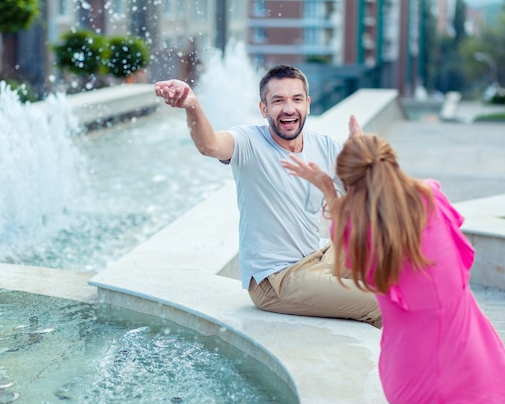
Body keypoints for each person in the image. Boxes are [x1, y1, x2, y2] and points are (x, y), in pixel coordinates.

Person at [281, 129, 505, 404]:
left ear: (351, 188)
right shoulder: (432, 198)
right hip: (464, 349)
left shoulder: (363, 238)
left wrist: (329, 190)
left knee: (502, 375)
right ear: (390, 165)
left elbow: (348, 233)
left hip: (409, 380)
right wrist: (367, 151)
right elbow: (395, 189)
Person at [155, 64, 381, 328]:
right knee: (380, 303)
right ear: (264, 109)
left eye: (296, 99)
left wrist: (363, 157)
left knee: (396, 274)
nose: (288, 108)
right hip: (276, 280)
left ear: (307, 104)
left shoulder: (324, 145)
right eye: (278, 101)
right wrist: (192, 105)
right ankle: (380, 368)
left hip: (317, 258)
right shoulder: (249, 142)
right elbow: (209, 145)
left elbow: (365, 198)